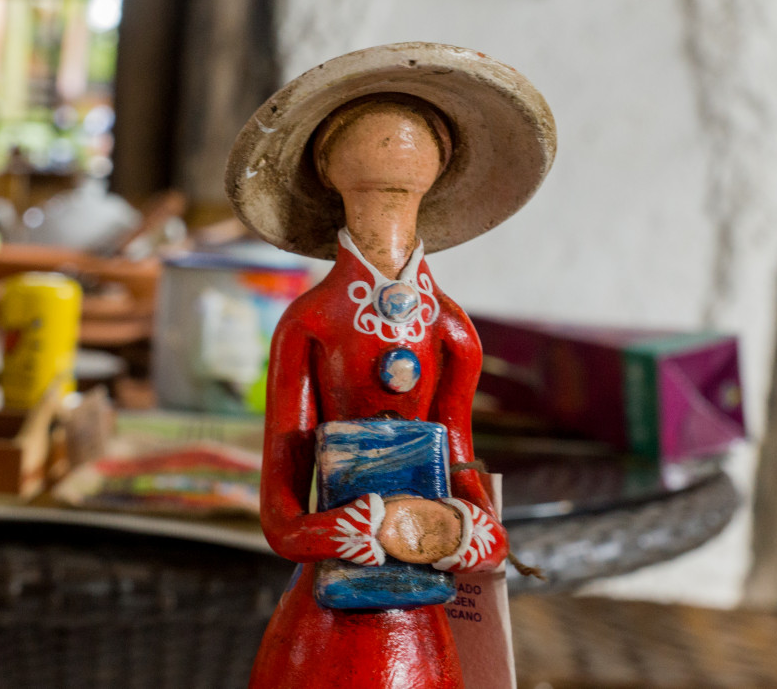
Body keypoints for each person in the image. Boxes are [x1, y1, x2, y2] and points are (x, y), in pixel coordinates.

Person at [224, 43, 556, 689]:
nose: (393, 159)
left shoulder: (448, 328)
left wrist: (462, 531)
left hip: (420, 632)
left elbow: (467, 481)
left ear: (441, 167)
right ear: (327, 170)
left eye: (413, 143)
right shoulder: (311, 323)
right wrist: (369, 528)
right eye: (370, 143)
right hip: (326, 626)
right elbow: (283, 520)